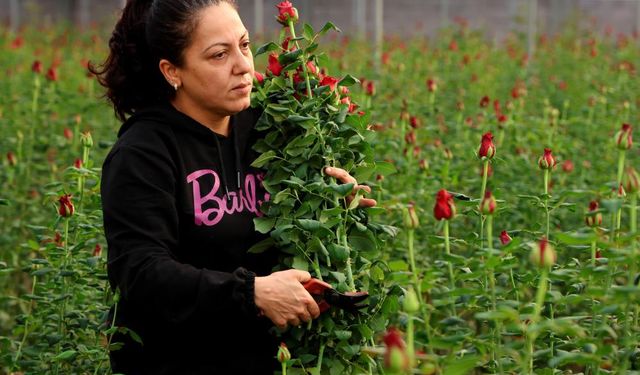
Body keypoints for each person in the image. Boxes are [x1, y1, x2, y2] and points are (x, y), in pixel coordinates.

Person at [92, 0, 376, 373]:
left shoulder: (270, 129)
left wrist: (331, 205)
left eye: (243, 45)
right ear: (172, 70)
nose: (243, 66)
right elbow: (141, 272)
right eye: (218, 55)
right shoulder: (143, 153)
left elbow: (293, 235)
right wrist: (251, 292)